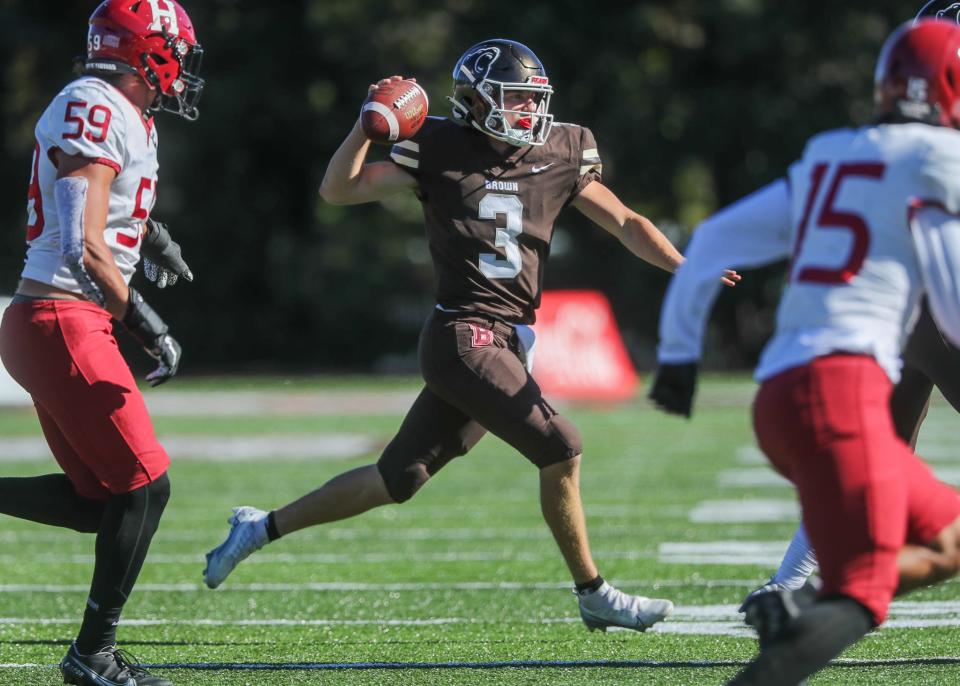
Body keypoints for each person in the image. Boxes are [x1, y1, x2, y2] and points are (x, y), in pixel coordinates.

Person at [203, 38, 736, 631]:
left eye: (534, 99)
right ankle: (593, 593)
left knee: (396, 479)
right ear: (475, 103)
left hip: (507, 339)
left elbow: (627, 223)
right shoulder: (437, 147)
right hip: (461, 333)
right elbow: (338, 189)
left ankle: (260, 526)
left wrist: (686, 270)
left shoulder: (564, 149)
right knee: (561, 444)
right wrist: (366, 128)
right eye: (514, 99)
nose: (529, 112)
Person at [650, 19, 960, 685]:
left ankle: (791, 598)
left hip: (783, 396)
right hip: (840, 394)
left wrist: (678, 357)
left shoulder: (829, 153)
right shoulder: (941, 162)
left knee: (948, 540)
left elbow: (712, 242)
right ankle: (799, 610)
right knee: (860, 594)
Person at [0, 1, 202, 684]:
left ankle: (92, 655)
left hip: (52, 320)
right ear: (152, 51)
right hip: (62, 316)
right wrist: (144, 318)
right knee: (147, 487)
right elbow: (83, 237)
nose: (183, 69)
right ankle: (92, 657)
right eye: (178, 53)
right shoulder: (95, 103)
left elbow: (109, 210)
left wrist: (154, 237)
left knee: (101, 501)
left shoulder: (122, 112)